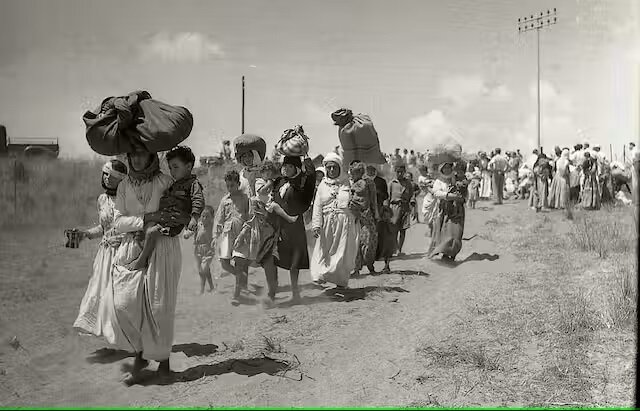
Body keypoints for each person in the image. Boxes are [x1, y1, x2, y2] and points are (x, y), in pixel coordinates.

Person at [111, 148, 183, 384]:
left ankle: (163, 363)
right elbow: (118, 221)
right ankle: (141, 353)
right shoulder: (123, 186)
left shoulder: (165, 181)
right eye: (133, 155)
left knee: (159, 307)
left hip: (163, 247)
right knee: (124, 304)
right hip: (132, 246)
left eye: (142, 154)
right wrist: (144, 221)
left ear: (152, 156)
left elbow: (177, 211)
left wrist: (162, 224)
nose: (137, 159)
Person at [123, 146, 203, 270]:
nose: (172, 171)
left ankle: (141, 260)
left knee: (151, 232)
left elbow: (198, 200)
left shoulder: (193, 184)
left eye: (176, 167)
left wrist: (194, 218)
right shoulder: (174, 184)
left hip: (173, 222)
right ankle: (140, 252)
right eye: (170, 168)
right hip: (165, 216)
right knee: (143, 231)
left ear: (188, 167)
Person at [73, 159, 127, 337]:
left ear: (121, 179)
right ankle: (108, 332)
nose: (106, 178)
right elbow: (103, 228)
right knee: (99, 290)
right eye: (105, 174)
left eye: (110, 176)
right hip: (104, 254)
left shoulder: (128, 198)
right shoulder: (102, 199)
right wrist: (84, 234)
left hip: (124, 251)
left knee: (120, 295)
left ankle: (127, 336)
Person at [269, 155, 316, 303]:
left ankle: (295, 293)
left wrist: (307, 161)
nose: (286, 169)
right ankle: (272, 291)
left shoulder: (300, 182)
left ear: (296, 168)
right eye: (285, 166)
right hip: (278, 225)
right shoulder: (279, 181)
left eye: (290, 166)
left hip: (294, 225)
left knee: (294, 261)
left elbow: (310, 178)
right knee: (273, 258)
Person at [310, 152, 359, 289]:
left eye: (334, 167)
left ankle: (340, 281)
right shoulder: (322, 186)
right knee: (324, 252)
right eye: (329, 167)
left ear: (340, 168)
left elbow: (356, 201)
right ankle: (321, 276)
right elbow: (317, 206)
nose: (331, 170)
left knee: (341, 254)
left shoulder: (348, 183)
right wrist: (316, 225)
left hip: (344, 224)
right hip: (326, 224)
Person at [214, 170, 251, 304]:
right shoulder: (225, 200)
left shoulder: (245, 198)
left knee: (239, 262)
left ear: (238, 184)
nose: (230, 188)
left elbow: (249, 216)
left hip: (241, 233)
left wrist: (245, 231)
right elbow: (219, 218)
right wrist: (215, 234)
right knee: (224, 263)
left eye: (232, 185)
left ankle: (237, 295)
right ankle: (239, 275)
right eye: (228, 185)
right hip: (227, 233)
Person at [427, 162, 466, 262]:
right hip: (445, 210)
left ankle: (452, 254)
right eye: (445, 168)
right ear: (441, 169)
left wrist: (460, 196)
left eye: (449, 167)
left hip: (457, 210)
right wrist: (449, 196)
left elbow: (464, 191)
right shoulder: (439, 181)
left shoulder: (457, 178)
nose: (447, 170)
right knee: (446, 232)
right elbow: (436, 193)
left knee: (457, 233)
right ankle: (445, 253)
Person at [349, 161, 379, 276]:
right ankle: (356, 269)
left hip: (367, 215)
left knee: (369, 241)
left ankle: (370, 266)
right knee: (356, 242)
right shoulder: (350, 183)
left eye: (355, 172)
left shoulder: (369, 183)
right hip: (354, 217)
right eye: (352, 172)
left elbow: (373, 199)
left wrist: (376, 213)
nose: (353, 174)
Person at [184, 205, 216, 294]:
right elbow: (191, 231)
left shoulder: (213, 226)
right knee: (204, 270)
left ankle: (201, 290)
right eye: (203, 216)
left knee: (203, 270)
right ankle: (212, 287)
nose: (204, 218)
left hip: (208, 250)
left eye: (207, 216)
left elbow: (217, 234)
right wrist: (187, 234)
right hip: (198, 250)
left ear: (212, 218)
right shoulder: (198, 224)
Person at [387, 164, 415, 256]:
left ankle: (400, 249)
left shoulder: (408, 184)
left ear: (404, 172)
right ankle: (394, 247)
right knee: (393, 230)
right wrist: (386, 210)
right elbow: (387, 197)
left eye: (401, 172)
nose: (399, 174)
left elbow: (412, 196)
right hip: (394, 208)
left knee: (403, 230)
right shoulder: (392, 183)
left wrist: (412, 205)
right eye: (398, 172)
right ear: (395, 172)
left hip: (405, 208)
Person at [376, 205, 396, 274]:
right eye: (385, 216)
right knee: (386, 254)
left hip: (388, 241)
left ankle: (387, 266)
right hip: (385, 240)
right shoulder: (381, 224)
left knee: (387, 254)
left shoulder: (388, 224)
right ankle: (387, 266)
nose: (386, 218)